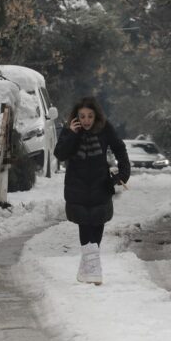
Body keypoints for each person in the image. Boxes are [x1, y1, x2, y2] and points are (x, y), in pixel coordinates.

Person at [53, 96, 130, 285]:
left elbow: (120, 149)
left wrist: (123, 174)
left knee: (97, 224)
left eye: (90, 116)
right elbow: (60, 154)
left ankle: (87, 268)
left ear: (96, 116)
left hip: (100, 185)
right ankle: (95, 270)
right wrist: (71, 133)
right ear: (76, 117)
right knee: (85, 224)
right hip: (77, 186)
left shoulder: (105, 128)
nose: (86, 120)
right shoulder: (70, 129)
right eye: (82, 116)